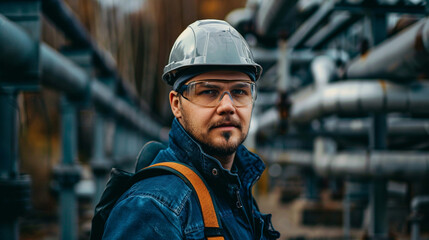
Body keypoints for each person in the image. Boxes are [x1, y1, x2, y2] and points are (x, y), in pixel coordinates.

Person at [102, 19, 280, 240]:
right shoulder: (152, 211)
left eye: (240, 91)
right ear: (177, 104)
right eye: (208, 91)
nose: (228, 106)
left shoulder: (236, 185)